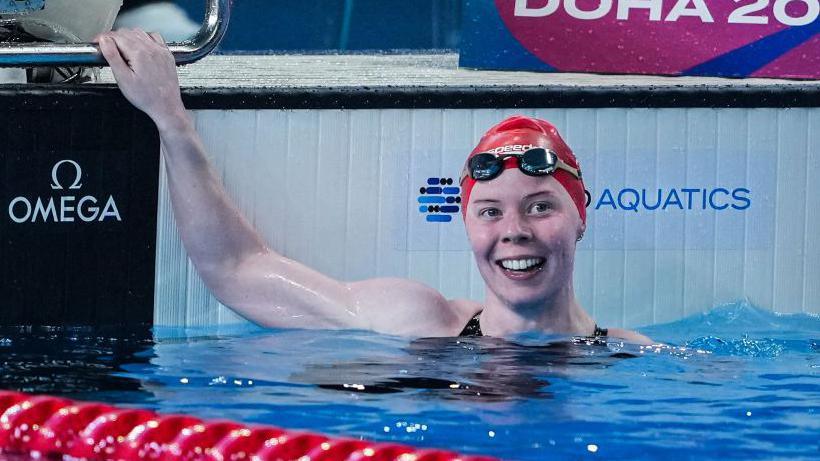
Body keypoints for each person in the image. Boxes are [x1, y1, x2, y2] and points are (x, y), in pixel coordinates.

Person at [95, 29, 652, 344]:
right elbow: (238, 270)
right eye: (490, 211)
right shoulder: (415, 320)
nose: (514, 232)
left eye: (539, 207)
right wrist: (171, 119)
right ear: (466, 223)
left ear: (581, 219)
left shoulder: (634, 359)